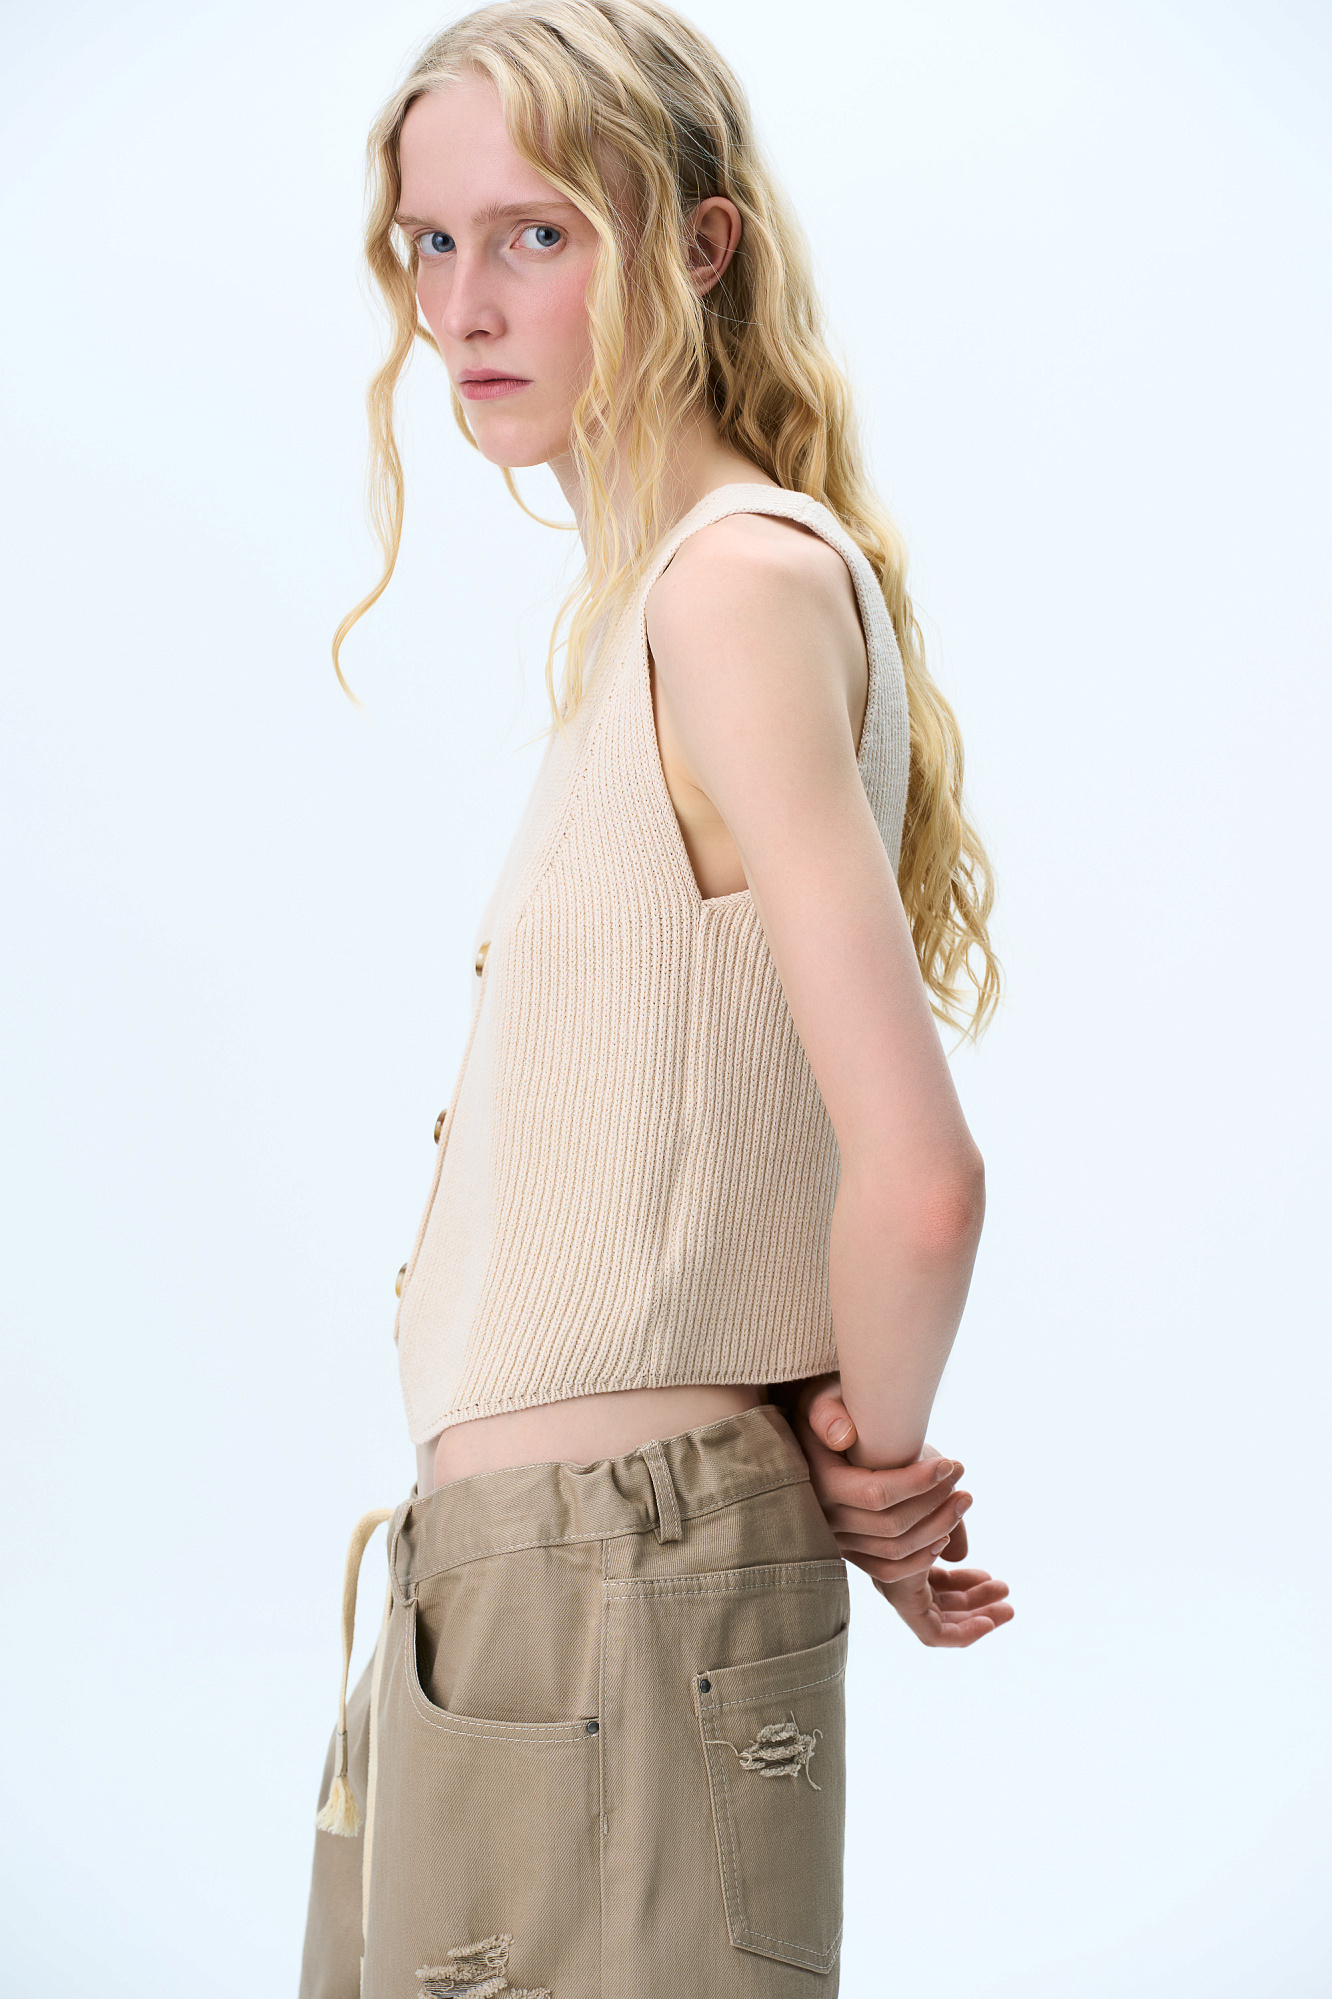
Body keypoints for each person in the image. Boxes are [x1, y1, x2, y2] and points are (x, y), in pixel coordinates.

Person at [299, 3, 1012, 1993]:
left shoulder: (728, 590)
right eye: (430, 242)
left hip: (612, 1587)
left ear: (699, 246)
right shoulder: (667, 605)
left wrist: (876, 1469)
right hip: (538, 1594)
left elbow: (920, 1176)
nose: (461, 303)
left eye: (536, 234)